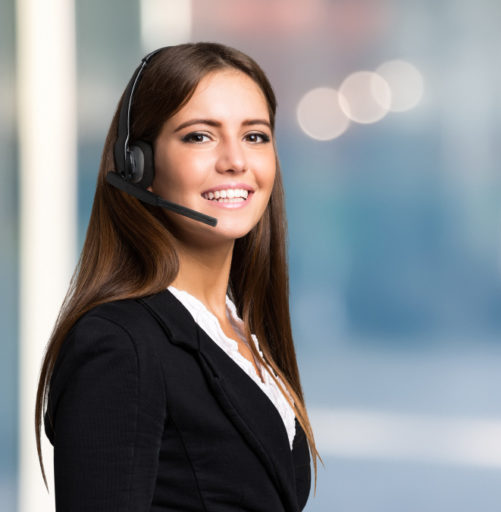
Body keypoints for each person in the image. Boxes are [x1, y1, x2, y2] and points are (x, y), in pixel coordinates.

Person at [34, 42, 318, 511]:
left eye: (255, 136)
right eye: (199, 136)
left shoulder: (238, 332)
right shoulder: (119, 343)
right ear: (138, 165)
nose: (235, 161)